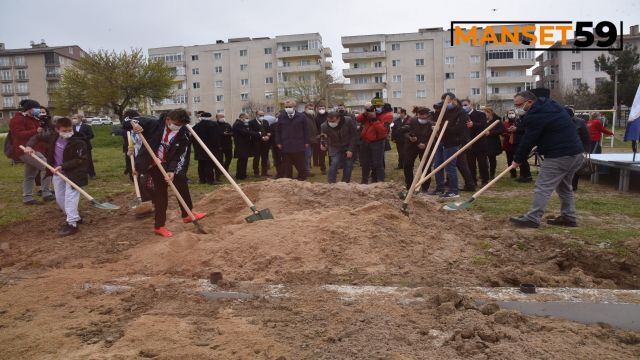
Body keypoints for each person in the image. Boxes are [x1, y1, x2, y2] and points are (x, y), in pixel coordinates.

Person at [509, 91, 584, 228]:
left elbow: (528, 139)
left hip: (560, 155)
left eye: (519, 104)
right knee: (564, 187)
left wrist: (518, 159)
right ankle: (569, 217)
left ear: (529, 102)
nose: (517, 107)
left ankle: (533, 218)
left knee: (542, 186)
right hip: (576, 153)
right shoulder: (551, 105)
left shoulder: (536, 115)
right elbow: (547, 128)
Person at [126, 109, 206, 237]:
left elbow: (179, 156)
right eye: (177, 124)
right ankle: (159, 226)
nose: (178, 127)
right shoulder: (154, 124)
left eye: (181, 125)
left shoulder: (183, 134)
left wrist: (171, 171)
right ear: (168, 120)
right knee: (161, 195)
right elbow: (128, 121)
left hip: (166, 164)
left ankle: (187, 214)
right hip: (150, 164)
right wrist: (134, 125)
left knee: (181, 180)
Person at [24, 117, 87, 236]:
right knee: (59, 198)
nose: (68, 132)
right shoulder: (53, 136)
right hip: (57, 172)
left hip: (74, 173)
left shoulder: (78, 141)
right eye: (65, 130)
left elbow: (80, 159)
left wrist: (63, 166)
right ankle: (75, 216)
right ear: (57, 130)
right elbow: (37, 136)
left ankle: (72, 224)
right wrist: (29, 146)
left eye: (70, 130)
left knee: (70, 198)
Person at [8, 99, 55, 205]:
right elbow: (18, 134)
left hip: (33, 149)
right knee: (47, 167)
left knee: (30, 175)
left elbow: (38, 135)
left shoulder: (32, 118)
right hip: (24, 150)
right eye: (37, 108)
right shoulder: (17, 120)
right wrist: (36, 131)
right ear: (30, 109)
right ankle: (46, 193)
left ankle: (27, 198)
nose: (39, 110)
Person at [429, 93, 468, 198]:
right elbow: (438, 121)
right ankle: (439, 189)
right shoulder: (445, 111)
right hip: (441, 141)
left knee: (450, 167)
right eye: (445, 102)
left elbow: (458, 129)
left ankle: (453, 191)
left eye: (448, 101)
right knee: (437, 166)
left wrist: (442, 128)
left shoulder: (461, 112)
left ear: (454, 100)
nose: (447, 104)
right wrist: (437, 127)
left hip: (452, 142)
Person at [402, 107, 435, 193]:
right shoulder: (412, 121)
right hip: (411, 146)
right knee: (407, 165)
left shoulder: (432, 124)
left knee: (426, 167)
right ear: (417, 115)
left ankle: (425, 187)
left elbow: (434, 136)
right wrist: (410, 137)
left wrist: (426, 144)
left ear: (428, 116)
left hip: (426, 147)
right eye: (421, 117)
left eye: (425, 117)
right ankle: (409, 185)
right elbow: (405, 131)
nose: (422, 119)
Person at [275, 99, 309, 181]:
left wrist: (307, 142)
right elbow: (278, 131)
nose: (288, 108)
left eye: (290, 107)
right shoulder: (281, 116)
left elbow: (306, 130)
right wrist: (278, 142)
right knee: (287, 165)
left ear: (294, 107)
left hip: (299, 144)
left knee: (300, 164)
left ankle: (301, 178)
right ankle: (288, 179)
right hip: (286, 144)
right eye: (286, 107)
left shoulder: (302, 116)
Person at [320, 111, 358, 183]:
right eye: (329, 121)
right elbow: (323, 136)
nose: (331, 123)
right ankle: (331, 183)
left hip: (348, 145)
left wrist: (350, 149)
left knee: (348, 165)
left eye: (333, 121)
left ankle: (345, 182)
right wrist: (322, 144)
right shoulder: (324, 126)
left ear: (339, 119)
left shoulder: (348, 121)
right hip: (335, 146)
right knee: (334, 163)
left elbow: (354, 135)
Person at [355, 104, 387, 184]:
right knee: (365, 162)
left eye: (372, 110)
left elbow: (383, 132)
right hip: (365, 142)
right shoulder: (366, 117)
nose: (371, 112)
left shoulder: (384, 117)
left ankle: (380, 181)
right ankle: (364, 180)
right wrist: (365, 113)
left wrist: (374, 120)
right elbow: (358, 119)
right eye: (369, 110)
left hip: (377, 142)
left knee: (377, 163)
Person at [461, 99, 489, 186]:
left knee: (482, 163)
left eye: (465, 105)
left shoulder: (480, 114)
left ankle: (484, 180)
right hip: (468, 144)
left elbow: (484, 126)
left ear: (471, 105)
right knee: (470, 164)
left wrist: (474, 125)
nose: (464, 107)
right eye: (462, 105)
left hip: (480, 143)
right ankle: (473, 180)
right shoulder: (462, 115)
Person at [565, 107, 591, 191]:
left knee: (576, 168)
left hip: (577, 148)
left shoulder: (580, 122)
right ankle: (566, 184)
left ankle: (573, 186)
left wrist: (586, 150)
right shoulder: (561, 121)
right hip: (564, 148)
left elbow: (586, 137)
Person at [192, 112, 221, 184]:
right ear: (210, 117)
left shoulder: (196, 126)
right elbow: (216, 137)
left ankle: (202, 179)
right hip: (211, 148)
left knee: (201, 164)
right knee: (209, 165)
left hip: (200, 148)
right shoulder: (213, 125)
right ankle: (210, 180)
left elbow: (193, 138)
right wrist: (218, 146)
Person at [233, 113, 259, 180]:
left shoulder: (240, 123)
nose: (247, 119)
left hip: (244, 145)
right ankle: (240, 176)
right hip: (241, 145)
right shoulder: (238, 124)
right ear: (242, 117)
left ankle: (243, 174)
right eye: (246, 118)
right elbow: (245, 132)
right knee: (242, 161)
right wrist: (257, 133)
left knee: (244, 160)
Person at [481, 107, 505, 179]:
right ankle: (484, 174)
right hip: (484, 142)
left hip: (493, 143)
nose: (484, 115)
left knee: (492, 159)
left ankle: (492, 173)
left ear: (489, 113)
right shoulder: (483, 121)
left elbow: (501, 130)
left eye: (485, 113)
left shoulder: (497, 121)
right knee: (483, 160)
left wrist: (490, 133)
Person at [72, 113, 96, 179]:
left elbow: (91, 135)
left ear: (80, 119)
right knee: (77, 161)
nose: (74, 120)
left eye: (75, 118)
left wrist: (83, 138)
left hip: (86, 146)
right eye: (73, 118)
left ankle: (92, 174)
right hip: (75, 146)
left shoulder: (87, 126)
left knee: (88, 160)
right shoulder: (72, 127)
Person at [249, 110, 272, 177]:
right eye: (260, 115)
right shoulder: (252, 122)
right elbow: (251, 132)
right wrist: (260, 136)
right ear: (256, 115)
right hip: (256, 143)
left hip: (265, 143)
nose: (262, 116)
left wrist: (268, 135)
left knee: (265, 158)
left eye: (263, 115)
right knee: (256, 158)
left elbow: (268, 130)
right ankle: (256, 172)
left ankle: (264, 172)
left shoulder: (265, 122)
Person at [122, 109, 141, 180]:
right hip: (131, 147)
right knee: (131, 162)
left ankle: (133, 175)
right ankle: (133, 176)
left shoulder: (129, 124)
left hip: (134, 147)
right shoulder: (129, 125)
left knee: (131, 162)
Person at [302, 103, 319, 177]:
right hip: (306, 140)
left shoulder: (312, 117)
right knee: (307, 155)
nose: (311, 110)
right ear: (305, 109)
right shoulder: (302, 116)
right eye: (309, 109)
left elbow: (313, 128)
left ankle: (307, 170)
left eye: (312, 109)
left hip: (312, 139)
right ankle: (306, 171)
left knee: (309, 155)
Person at [215, 112, 233, 180]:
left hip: (228, 144)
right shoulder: (215, 125)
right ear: (217, 117)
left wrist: (229, 134)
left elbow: (232, 132)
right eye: (221, 117)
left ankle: (225, 168)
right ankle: (219, 172)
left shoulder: (227, 124)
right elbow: (215, 134)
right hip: (219, 145)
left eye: (223, 116)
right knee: (220, 159)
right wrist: (222, 133)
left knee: (229, 157)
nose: (222, 118)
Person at [313, 104, 328, 175]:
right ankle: (323, 169)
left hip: (330, 137)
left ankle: (333, 168)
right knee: (321, 154)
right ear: (318, 110)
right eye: (320, 108)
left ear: (325, 108)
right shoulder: (316, 118)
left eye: (323, 108)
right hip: (321, 137)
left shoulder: (329, 116)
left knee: (331, 154)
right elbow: (315, 127)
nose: (322, 109)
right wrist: (318, 135)